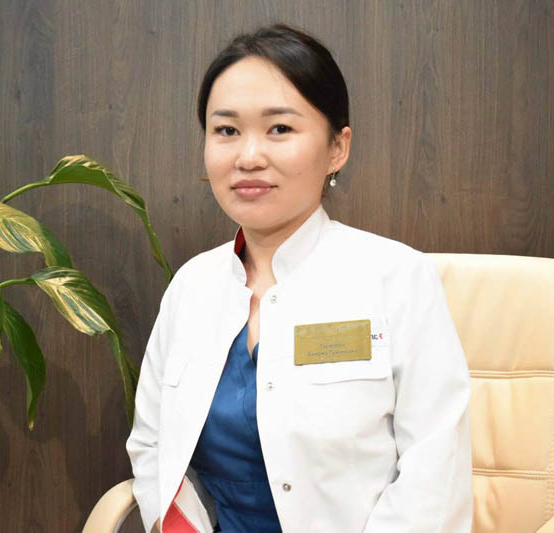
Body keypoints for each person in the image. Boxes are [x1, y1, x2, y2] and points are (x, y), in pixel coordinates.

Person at [126, 23, 473, 533]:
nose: (248, 157)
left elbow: (434, 473)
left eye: (280, 129)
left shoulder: (398, 278)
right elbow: (152, 445)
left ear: (337, 148)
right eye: (227, 131)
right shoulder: (190, 287)